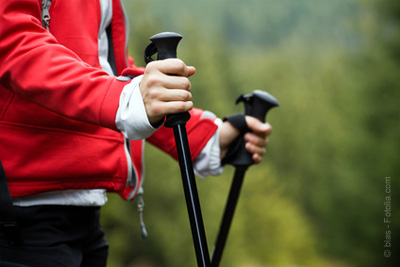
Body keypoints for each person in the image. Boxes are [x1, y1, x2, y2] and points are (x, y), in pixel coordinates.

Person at [0, 1, 272, 266]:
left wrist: (204, 138)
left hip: (82, 216)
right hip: (17, 217)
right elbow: (13, 41)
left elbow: (106, 72)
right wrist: (123, 98)